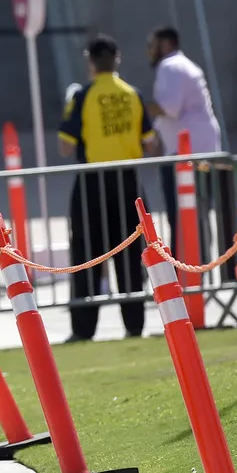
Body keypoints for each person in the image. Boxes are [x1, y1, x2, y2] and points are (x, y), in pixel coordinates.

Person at [58, 35, 160, 342]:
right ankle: (134, 325)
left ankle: (84, 328)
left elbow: (65, 146)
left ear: (90, 62)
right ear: (118, 59)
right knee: (130, 254)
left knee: (87, 254)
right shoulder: (133, 94)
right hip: (128, 182)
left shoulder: (83, 95)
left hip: (93, 182)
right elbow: (151, 143)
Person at [146, 26, 221, 258]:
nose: (149, 51)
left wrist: (137, 106)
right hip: (198, 151)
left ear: (166, 44)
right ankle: (197, 269)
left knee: (181, 217)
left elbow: (169, 108)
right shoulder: (181, 65)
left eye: (152, 45)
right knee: (196, 214)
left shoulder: (170, 66)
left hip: (186, 156)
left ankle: (189, 274)